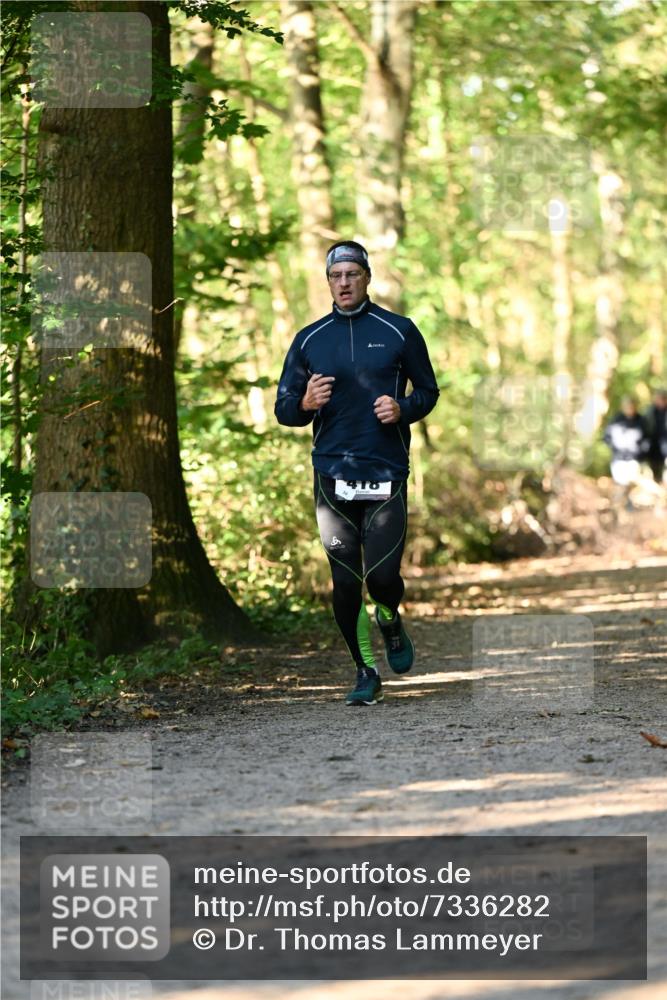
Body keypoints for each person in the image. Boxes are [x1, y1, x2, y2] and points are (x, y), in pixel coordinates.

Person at [274, 240, 439, 706]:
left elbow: (428, 391)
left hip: (386, 471)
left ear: (367, 277)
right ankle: (365, 669)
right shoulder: (309, 339)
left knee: (382, 579)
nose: (343, 283)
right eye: (335, 276)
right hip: (332, 477)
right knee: (346, 583)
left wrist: (402, 407)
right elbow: (285, 409)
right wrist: (305, 404)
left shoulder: (399, 330)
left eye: (351, 274)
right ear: (328, 283)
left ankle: (390, 616)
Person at [602, 396, 650, 511]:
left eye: (632, 406)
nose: (630, 408)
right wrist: (614, 448)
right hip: (618, 458)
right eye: (627, 406)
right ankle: (616, 506)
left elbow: (647, 438)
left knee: (630, 482)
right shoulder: (616, 420)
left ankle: (628, 503)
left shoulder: (641, 421)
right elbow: (606, 437)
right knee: (620, 482)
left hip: (634, 457)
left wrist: (642, 452)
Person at [645, 388, 667, 485]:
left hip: (665, 442)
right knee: (654, 464)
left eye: (663, 398)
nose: (660, 401)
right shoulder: (650, 411)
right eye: (658, 398)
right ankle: (656, 481)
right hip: (653, 443)